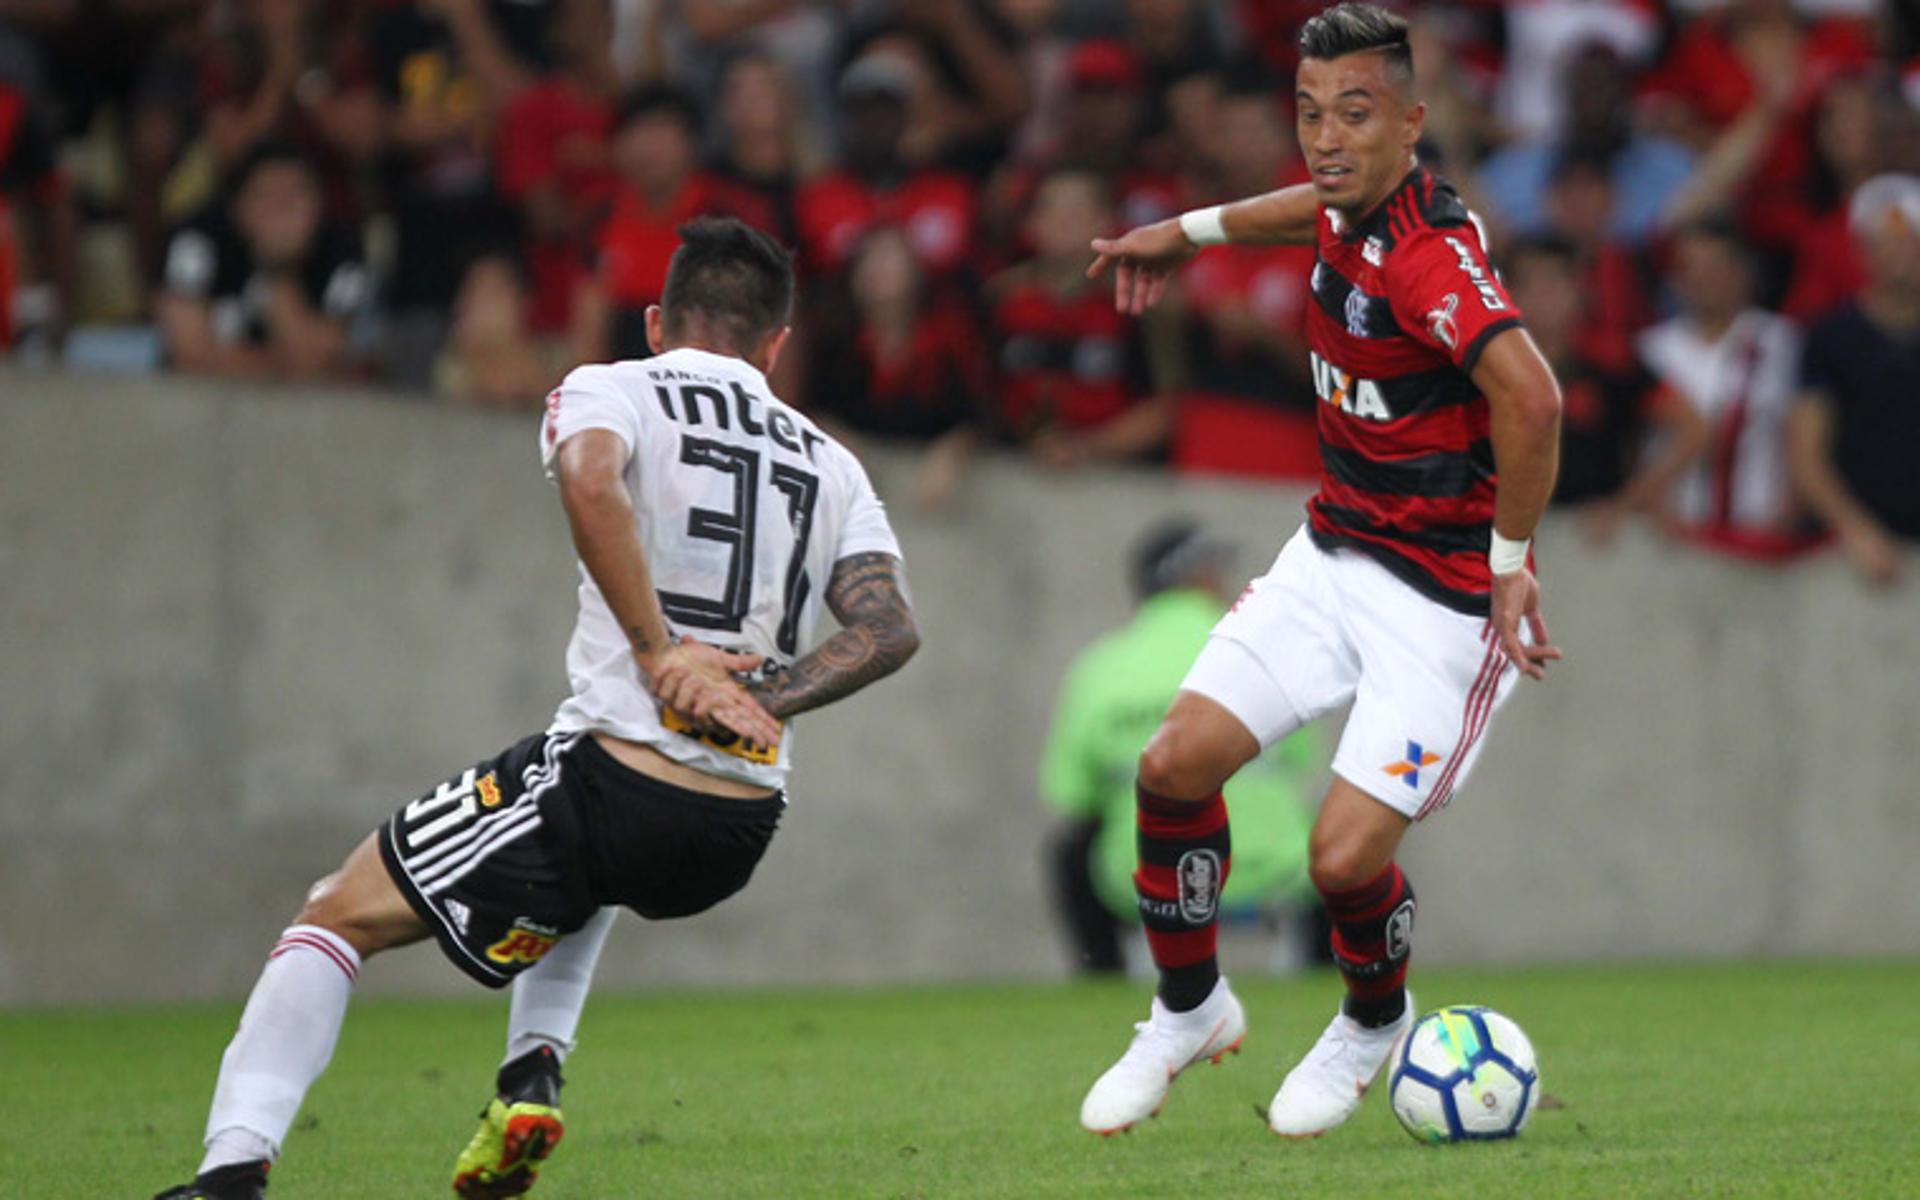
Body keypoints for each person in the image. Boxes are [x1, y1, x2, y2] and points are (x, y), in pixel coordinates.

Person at [152, 218, 921, 1200]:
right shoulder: (834, 460)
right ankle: (531, 1074)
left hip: (618, 778)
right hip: (738, 824)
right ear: (774, 345)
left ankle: (229, 1176)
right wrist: (761, 694)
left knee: (335, 917)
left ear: (656, 322)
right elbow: (890, 630)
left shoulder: (613, 385)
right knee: (575, 837)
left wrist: (660, 652)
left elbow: (591, 479)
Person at [1077, 3, 1564, 1140]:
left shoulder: (1432, 257)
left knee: (1341, 859)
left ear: (1412, 120)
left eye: (1354, 113)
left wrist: (1508, 565)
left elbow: (1533, 398)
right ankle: (1190, 1008)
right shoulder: (1349, 206)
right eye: (1309, 112)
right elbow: (1310, 208)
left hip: (1443, 604)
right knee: (1172, 766)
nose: (1326, 137)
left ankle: (1370, 1024)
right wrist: (1183, 232)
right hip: (1335, 552)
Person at [1042, 518, 1320, 976]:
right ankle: (1331, 986)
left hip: (1147, 877)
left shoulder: (1100, 666)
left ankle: (1104, 983)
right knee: (1340, 828)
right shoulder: (1264, 650)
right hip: (1276, 871)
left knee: (1072, 850)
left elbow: (1071, 794)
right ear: (1198, 576)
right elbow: (1301, 763)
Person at [1636, 218, 1813, 560]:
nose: (1703, 279)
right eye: (1691, 268)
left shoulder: (1782, 343)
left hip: (1759, 535)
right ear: (1675, 278)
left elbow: (1800, 434)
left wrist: (1792, 510)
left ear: (1742, 271)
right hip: (1672, 538)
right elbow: (1632, 445)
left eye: (1716, 265)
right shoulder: (1650, 350)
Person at [1787, 174, 1920, 586]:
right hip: (1849, 558)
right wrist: (1856, 530)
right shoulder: (1829, 339)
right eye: (1879, 241)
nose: (1895, 255)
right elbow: (1806, 456)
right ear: (1861, 252)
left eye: (1906, 240)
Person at [157, 141, 370, 381]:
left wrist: (278, 270)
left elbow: (315, 362)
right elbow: (188, 357)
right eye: (268, 195)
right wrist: (284, 367)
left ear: (319, 205)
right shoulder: (199, 238)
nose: (282, 209)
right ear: (239, 207)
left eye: (295, 196)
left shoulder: (340, 251)